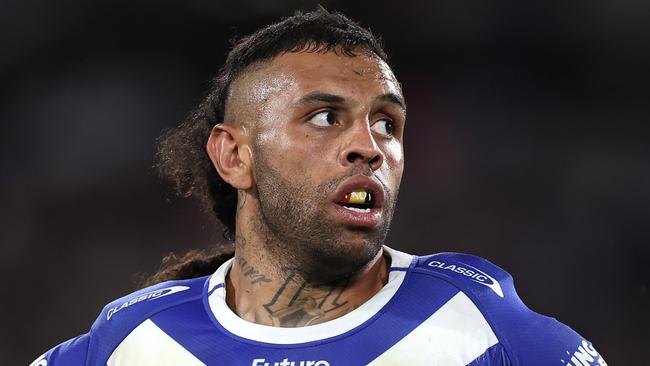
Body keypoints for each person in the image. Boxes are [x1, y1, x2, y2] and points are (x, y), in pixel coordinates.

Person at [31, 8, 607, 366]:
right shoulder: (135, 342)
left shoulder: (480, 328)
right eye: (325, 117)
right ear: (235, 155)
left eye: (387, 123)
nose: (369, 146)